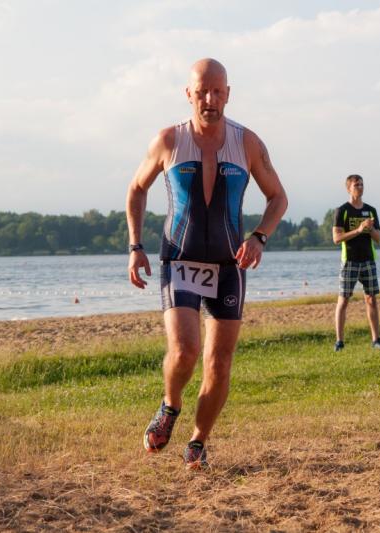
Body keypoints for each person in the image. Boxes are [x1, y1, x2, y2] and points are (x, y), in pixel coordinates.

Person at [126, 58, 288, 469]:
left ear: (228, 94)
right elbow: (136, 189)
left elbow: (278, 197)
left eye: (217, 92)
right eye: (202, 92)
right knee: (185, 351)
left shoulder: (247, 143)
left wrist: (259, 237)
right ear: (189, 94)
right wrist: (135, 245)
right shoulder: (169, 140)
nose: (210, 100)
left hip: (229, 264)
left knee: (218, 362)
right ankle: (170, 404)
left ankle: (198, 440)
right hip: (178, 258)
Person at [333, 174, 380, 352]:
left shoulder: (371, 210)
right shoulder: (342, 210)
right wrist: (359, 229)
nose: (360, 187)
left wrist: (370, 229)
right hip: (350, 261)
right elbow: (336, 238)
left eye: (362, 184)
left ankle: (376, 340)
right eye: (356, 185)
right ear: (349, 188)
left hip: (368, 260)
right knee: (343, 300)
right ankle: (339, 342)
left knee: (371, 299)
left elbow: (378, 238)